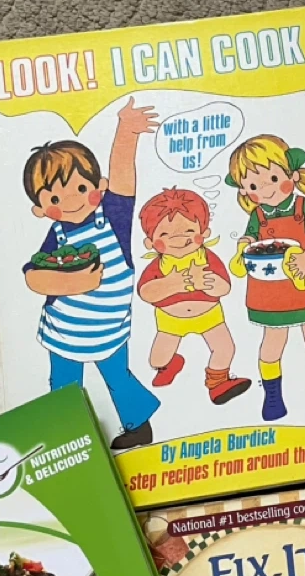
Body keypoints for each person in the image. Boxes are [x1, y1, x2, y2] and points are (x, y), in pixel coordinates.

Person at [22, 97, 160, 448]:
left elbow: (123, 172)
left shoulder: (113, 217)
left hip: (110, 328)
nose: (70, 201)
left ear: (100, 186)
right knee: (64, 385)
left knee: (119, 378)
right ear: (40, 210)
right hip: (65, 330)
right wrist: (73, 282)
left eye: (80, 189)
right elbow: (33, 275)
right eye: (54, 199)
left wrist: (127, 130)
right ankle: (69, 435)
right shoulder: (57, 235)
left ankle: (138, 427)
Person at [227, 135, 305, 422]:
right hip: (270, 288)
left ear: (292, 175)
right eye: (254, 186)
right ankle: (273, 398)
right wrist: (242, 248)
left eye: (273, 178)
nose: (266, 189)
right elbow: (250, 237)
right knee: (271, 343)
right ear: (245, 191)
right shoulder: (257, 215)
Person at [135, 188, 250, 403]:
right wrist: (173, 284)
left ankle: (218, 384)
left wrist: (209, 283)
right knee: (157, 360)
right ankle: (170, 365)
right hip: (171, 320)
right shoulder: (158, 265)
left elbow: (224, 287)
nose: (178, 239)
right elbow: (145, 292)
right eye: (164, 235)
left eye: (188, 230)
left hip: (209, 316)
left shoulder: (207, 257)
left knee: (225, 348)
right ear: (150, 243)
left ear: (204, 233)